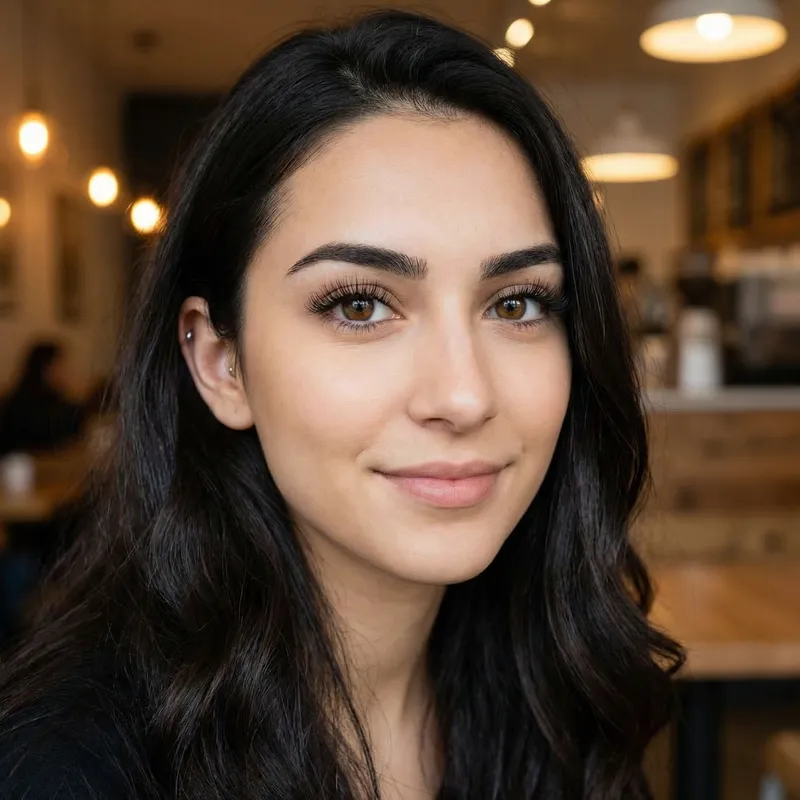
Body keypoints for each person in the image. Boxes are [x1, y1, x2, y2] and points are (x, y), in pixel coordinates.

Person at [0, 11, 683, 799]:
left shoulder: (556, 692)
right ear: (222, 363)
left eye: (519, 303)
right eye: (360, 305)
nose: (464, 395)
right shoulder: (68, 772)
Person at [0, 341, 85, 456]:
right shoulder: (22, 404)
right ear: (45, 368)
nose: (67, 371)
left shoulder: (63, 402)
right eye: (60, 365)